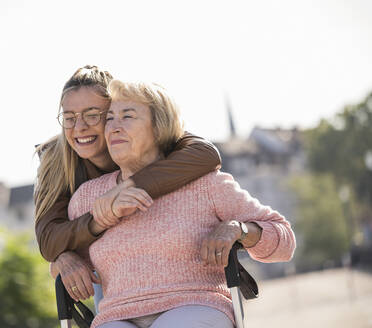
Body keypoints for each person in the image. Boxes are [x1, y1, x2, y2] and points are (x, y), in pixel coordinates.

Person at [66, 79, 296, 328]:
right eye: (109, 118)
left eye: (127, 116)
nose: (114, 127)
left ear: (159, 128)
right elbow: (68, 255)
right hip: (116, 316)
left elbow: (284, 241)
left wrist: (238, 228)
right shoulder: (86, 198)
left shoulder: (205, 184)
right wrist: (62, 260)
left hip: (194, 305)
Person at [35, 65, 223, 302]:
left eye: (93, 115)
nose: (79, 127)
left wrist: (126, 187)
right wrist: (67, 252)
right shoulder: (56, 159)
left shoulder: (149, 133)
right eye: (69, 118)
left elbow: (206, 154)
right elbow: (49, 239)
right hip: (113, 274)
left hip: (184, 269)